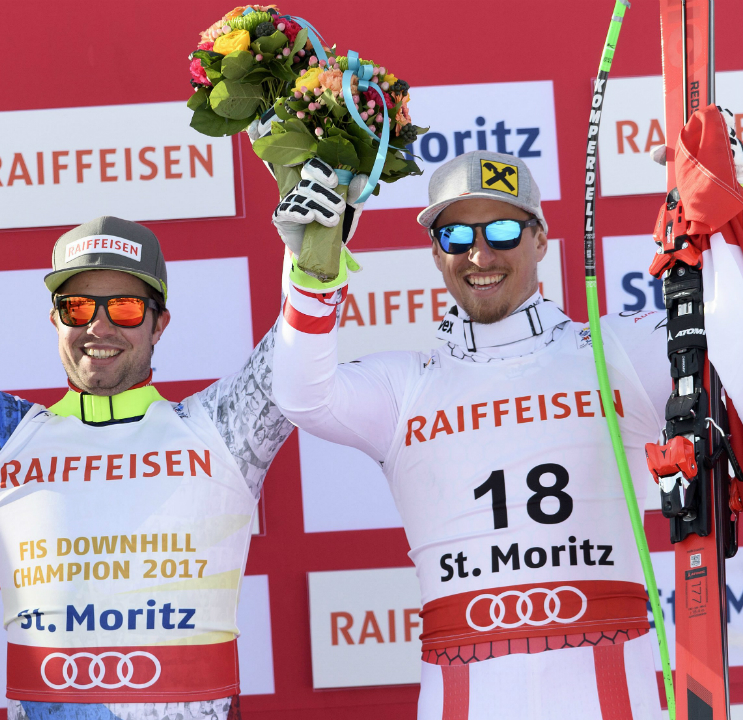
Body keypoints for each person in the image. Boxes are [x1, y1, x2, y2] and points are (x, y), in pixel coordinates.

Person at [0, 151, 293, 720]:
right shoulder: (6, 439)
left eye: (124, 308)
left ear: (160, 323)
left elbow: (295, 358)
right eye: (76, 307)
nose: (97, 327)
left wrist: (315, 253)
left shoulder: (218, 430)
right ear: (55, 319)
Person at [268, 150, 670, 717]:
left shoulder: (613, 354)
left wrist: (727, 201)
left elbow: (730, 336)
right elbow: (303, 395)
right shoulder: (408, 386)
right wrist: (311, 266)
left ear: (541, 240)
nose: (480, 254)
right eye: (456, 235)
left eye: (503, 230)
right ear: (436, 253)